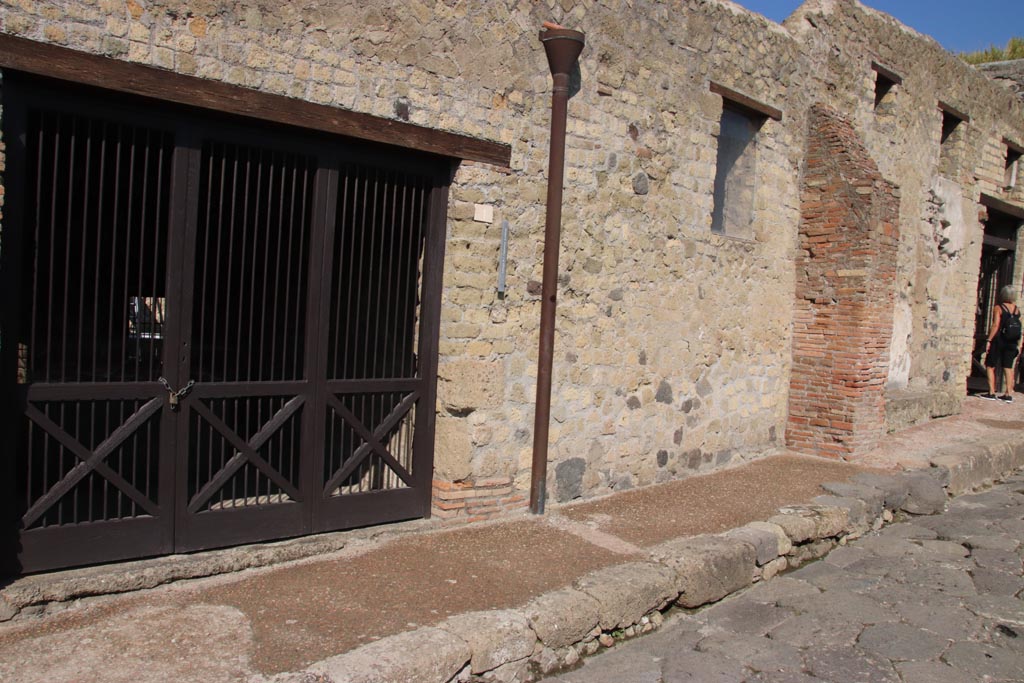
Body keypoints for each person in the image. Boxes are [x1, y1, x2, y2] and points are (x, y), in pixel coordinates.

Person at [981, 285, 1021, 402]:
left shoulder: (998, 308)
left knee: (990, 365)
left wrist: (989, 339)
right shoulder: (1017, 309)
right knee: (1008, 367)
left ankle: (991, 392)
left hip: (1000, 340)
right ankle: (1008, 394)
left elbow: (996, 325)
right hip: (1012, 341)